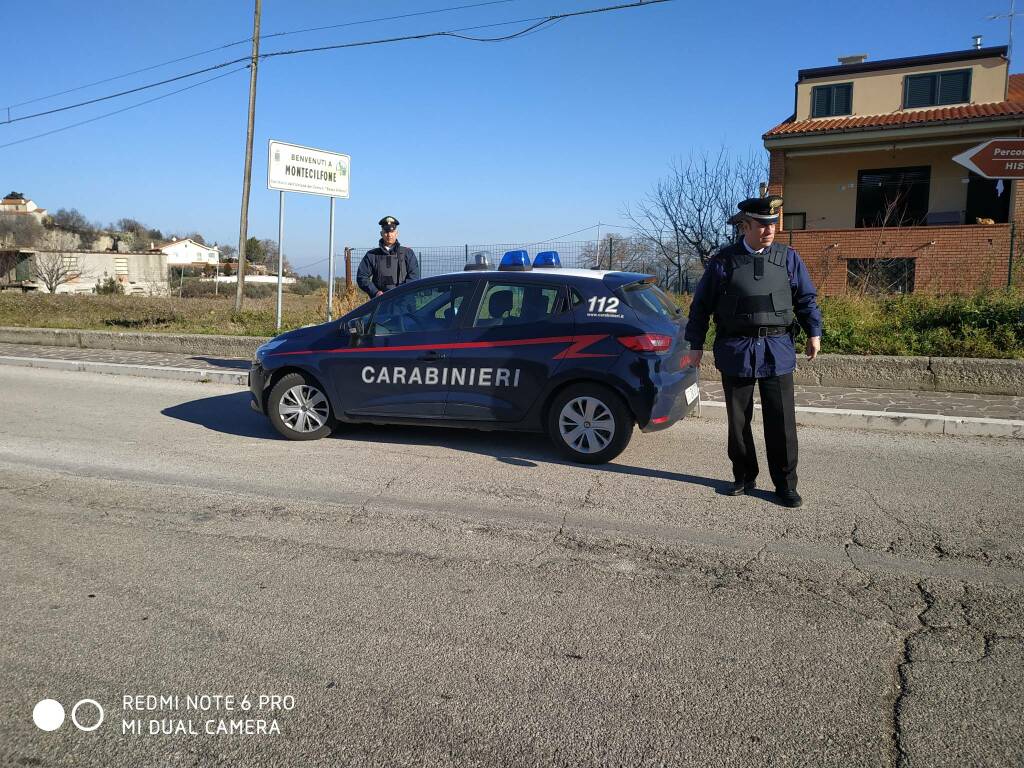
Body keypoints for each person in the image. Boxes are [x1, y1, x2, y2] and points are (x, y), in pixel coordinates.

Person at [685, 196, 822, 508]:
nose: (769, 230)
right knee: (738, 420)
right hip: (737, 349)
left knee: (782, 421)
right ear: (744, 225)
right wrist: (695, 345)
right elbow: (700, 308)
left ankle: (786, 484)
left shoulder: (789, 258)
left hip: (777, 349)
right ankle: (744, 476)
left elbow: (806, 298)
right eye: (762, 224)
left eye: (773, 224)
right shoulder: (722, 262)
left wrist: (814, 331)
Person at [356, 216, 419, 299]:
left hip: (404, 303)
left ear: (397, 233)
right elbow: (362, 277)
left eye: (392, 231)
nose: (389, 235)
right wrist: (375, 292)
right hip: (381, 303)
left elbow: (414, 277)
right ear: (381, 233)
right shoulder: (372, 255)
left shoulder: (408, 253)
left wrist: (402, 292)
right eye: (386, 231)